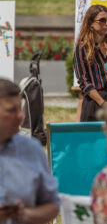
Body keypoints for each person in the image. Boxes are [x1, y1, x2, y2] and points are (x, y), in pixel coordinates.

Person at [0, 78, 60, 224]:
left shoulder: (32, 149)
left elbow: (52, 205)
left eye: (20, 109)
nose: (21, 116)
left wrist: (25, 214)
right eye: (11, 110)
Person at [73, 4, 107, 122]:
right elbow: (84, 82)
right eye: (102, 20)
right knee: (93, 139)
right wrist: (103, 103)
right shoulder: (82, 48)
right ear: (91, 23)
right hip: (94, 101)